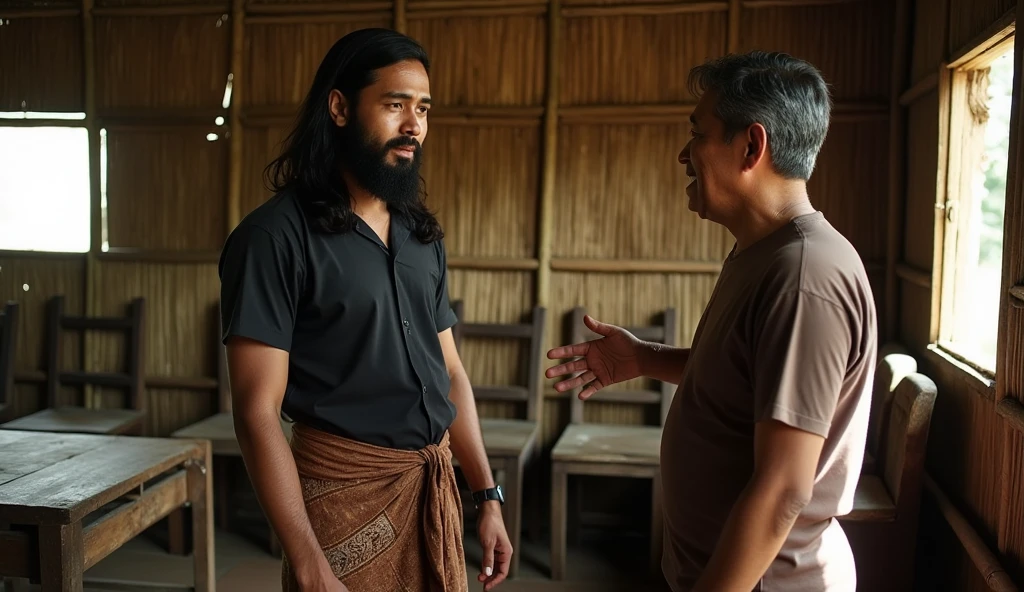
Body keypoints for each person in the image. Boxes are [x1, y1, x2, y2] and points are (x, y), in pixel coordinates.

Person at [546, 51, 877, 592]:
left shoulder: (803, 275)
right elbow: (753, 384)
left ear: (751, 146)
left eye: (698, 133)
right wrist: (646, 359)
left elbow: (782, 487)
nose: (684, 154)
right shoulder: (764, 255)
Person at [218, 28, 512, 592]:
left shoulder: (421, 235)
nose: (415, 125)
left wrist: (487, 495)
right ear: (340, 107)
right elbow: (257, 411)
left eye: (423, 108)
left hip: (432, 489)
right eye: (395, 104)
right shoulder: (273, 238)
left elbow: (450, 374)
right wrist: (305, 559)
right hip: (342, 503)